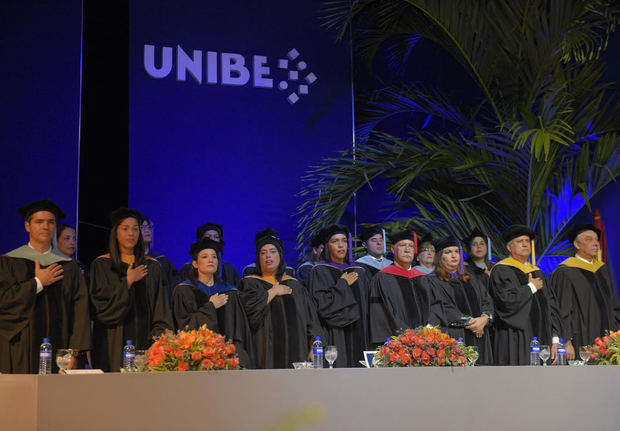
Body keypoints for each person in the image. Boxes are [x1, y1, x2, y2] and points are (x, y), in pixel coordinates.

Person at [0, 199, 90, 374]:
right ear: (28, 226)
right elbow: (3, 300)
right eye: (39, 222)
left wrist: (74, 351)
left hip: (60, 350)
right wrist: (38, 283)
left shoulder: (68, 266)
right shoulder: (9, 262)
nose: (45, 227)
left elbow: (79, 310)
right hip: (20, 347)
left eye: (51, 222)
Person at [89, 207, 174, 372]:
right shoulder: (102, 265)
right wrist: (127, 282)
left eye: (135, 229)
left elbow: (161, 309)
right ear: (115, 233)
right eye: (125, 229)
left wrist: (158, 342)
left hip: (145, 343)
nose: (131, 234)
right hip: (110, 343)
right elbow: (100, 309)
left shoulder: (152, 267)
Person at [239, 228, 321, 369]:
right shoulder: (250, 283)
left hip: (296, 351)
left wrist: (313, 347)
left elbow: (311, 319)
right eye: (263, 253)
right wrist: (272, 292)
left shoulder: (294, 285)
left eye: (272, 252)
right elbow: (249, 316)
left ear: (280, 256)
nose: (268, 256)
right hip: (263, 352)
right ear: (258, 258)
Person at [173, 237, 253, 368]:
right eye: (205, 257)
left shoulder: (230, 292)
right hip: (194, 360)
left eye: (214, 257)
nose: (211, 260)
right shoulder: (184, 291)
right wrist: (210, 307)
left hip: (227, 361)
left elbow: (239, 332)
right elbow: (183, 327)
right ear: (195, 263)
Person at [489, 225, 562, 365]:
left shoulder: (537, 272)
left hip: (542, 337)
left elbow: (551, 306)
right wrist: (531, 287)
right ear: (509, 247)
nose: (525, 244)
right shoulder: (501, 270)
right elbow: (505, 301)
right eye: (520, 241)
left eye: (527, 241)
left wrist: (555, 338)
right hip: (515, 337)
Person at [417, 236, 494, 365]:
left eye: (456, 252)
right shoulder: (431, 281)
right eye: (448, 252)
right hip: (455, 336)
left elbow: (487, 300)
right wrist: (472, 323)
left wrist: (485, 318)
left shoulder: (472, 278)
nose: (454, 256)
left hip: (480, 337)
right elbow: (441, 307)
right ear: (439, 257)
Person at [550, 224, 620, 360]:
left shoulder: (603, 269)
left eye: (596, 239)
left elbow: (614, 304)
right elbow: (562, 309)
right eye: (589, 239)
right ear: (577, 244)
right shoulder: (565, 271)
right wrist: (566, 341)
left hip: (609, 340)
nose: (595, 243)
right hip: (581, 338)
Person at [308, 224, 369, 367]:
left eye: (344, 241)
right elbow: (322, 307)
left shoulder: (359, 271)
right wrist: (342, 284)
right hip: (333, 334)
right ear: (327, 246)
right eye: (335, 242)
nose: (341, 245)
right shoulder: (319, 271)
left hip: (359, 332)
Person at [368, 230, 429, 347]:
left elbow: (433, 308)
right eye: (402, 245)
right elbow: (382, 313)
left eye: (411, 246)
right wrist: (407, 334)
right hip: (397, 343)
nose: (407, 250)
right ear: (392, 249)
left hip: (425, 342)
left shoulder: (423, 278)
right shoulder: (382, 278)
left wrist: (427, 332)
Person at [140, 215, 180, 301]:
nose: (147, 230)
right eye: (142, 227)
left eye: (149, 227)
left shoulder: (162, 261)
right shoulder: (125, 261)